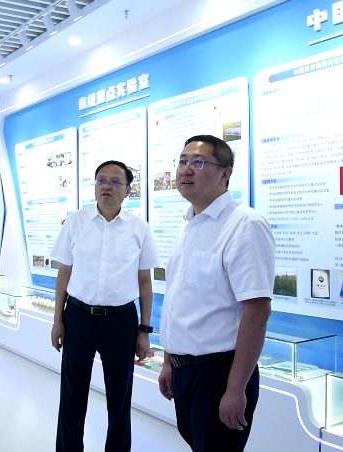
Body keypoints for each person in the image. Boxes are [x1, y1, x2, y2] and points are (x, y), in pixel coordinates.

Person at [157, 135, 275, 452]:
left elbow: (257, 311)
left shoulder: (244, 224)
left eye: (198, 162)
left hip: (219, 374)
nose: (186, 169)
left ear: (225, 173)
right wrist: (169, 361)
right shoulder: (189, 225)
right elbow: (179, 301)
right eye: (182, 161)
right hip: (185, 371)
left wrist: (235, 389)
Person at [50, 160, 160, 452]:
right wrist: (57, 320)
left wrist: (144, 330)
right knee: (72, 395)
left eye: (114, 182)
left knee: (120, 398)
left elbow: (145, 282)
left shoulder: (139, 228)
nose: (106, 187)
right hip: (78, 317)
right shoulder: (76, 221)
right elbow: (64, 273)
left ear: (127, 190)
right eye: (101, 180)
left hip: (120, 321)